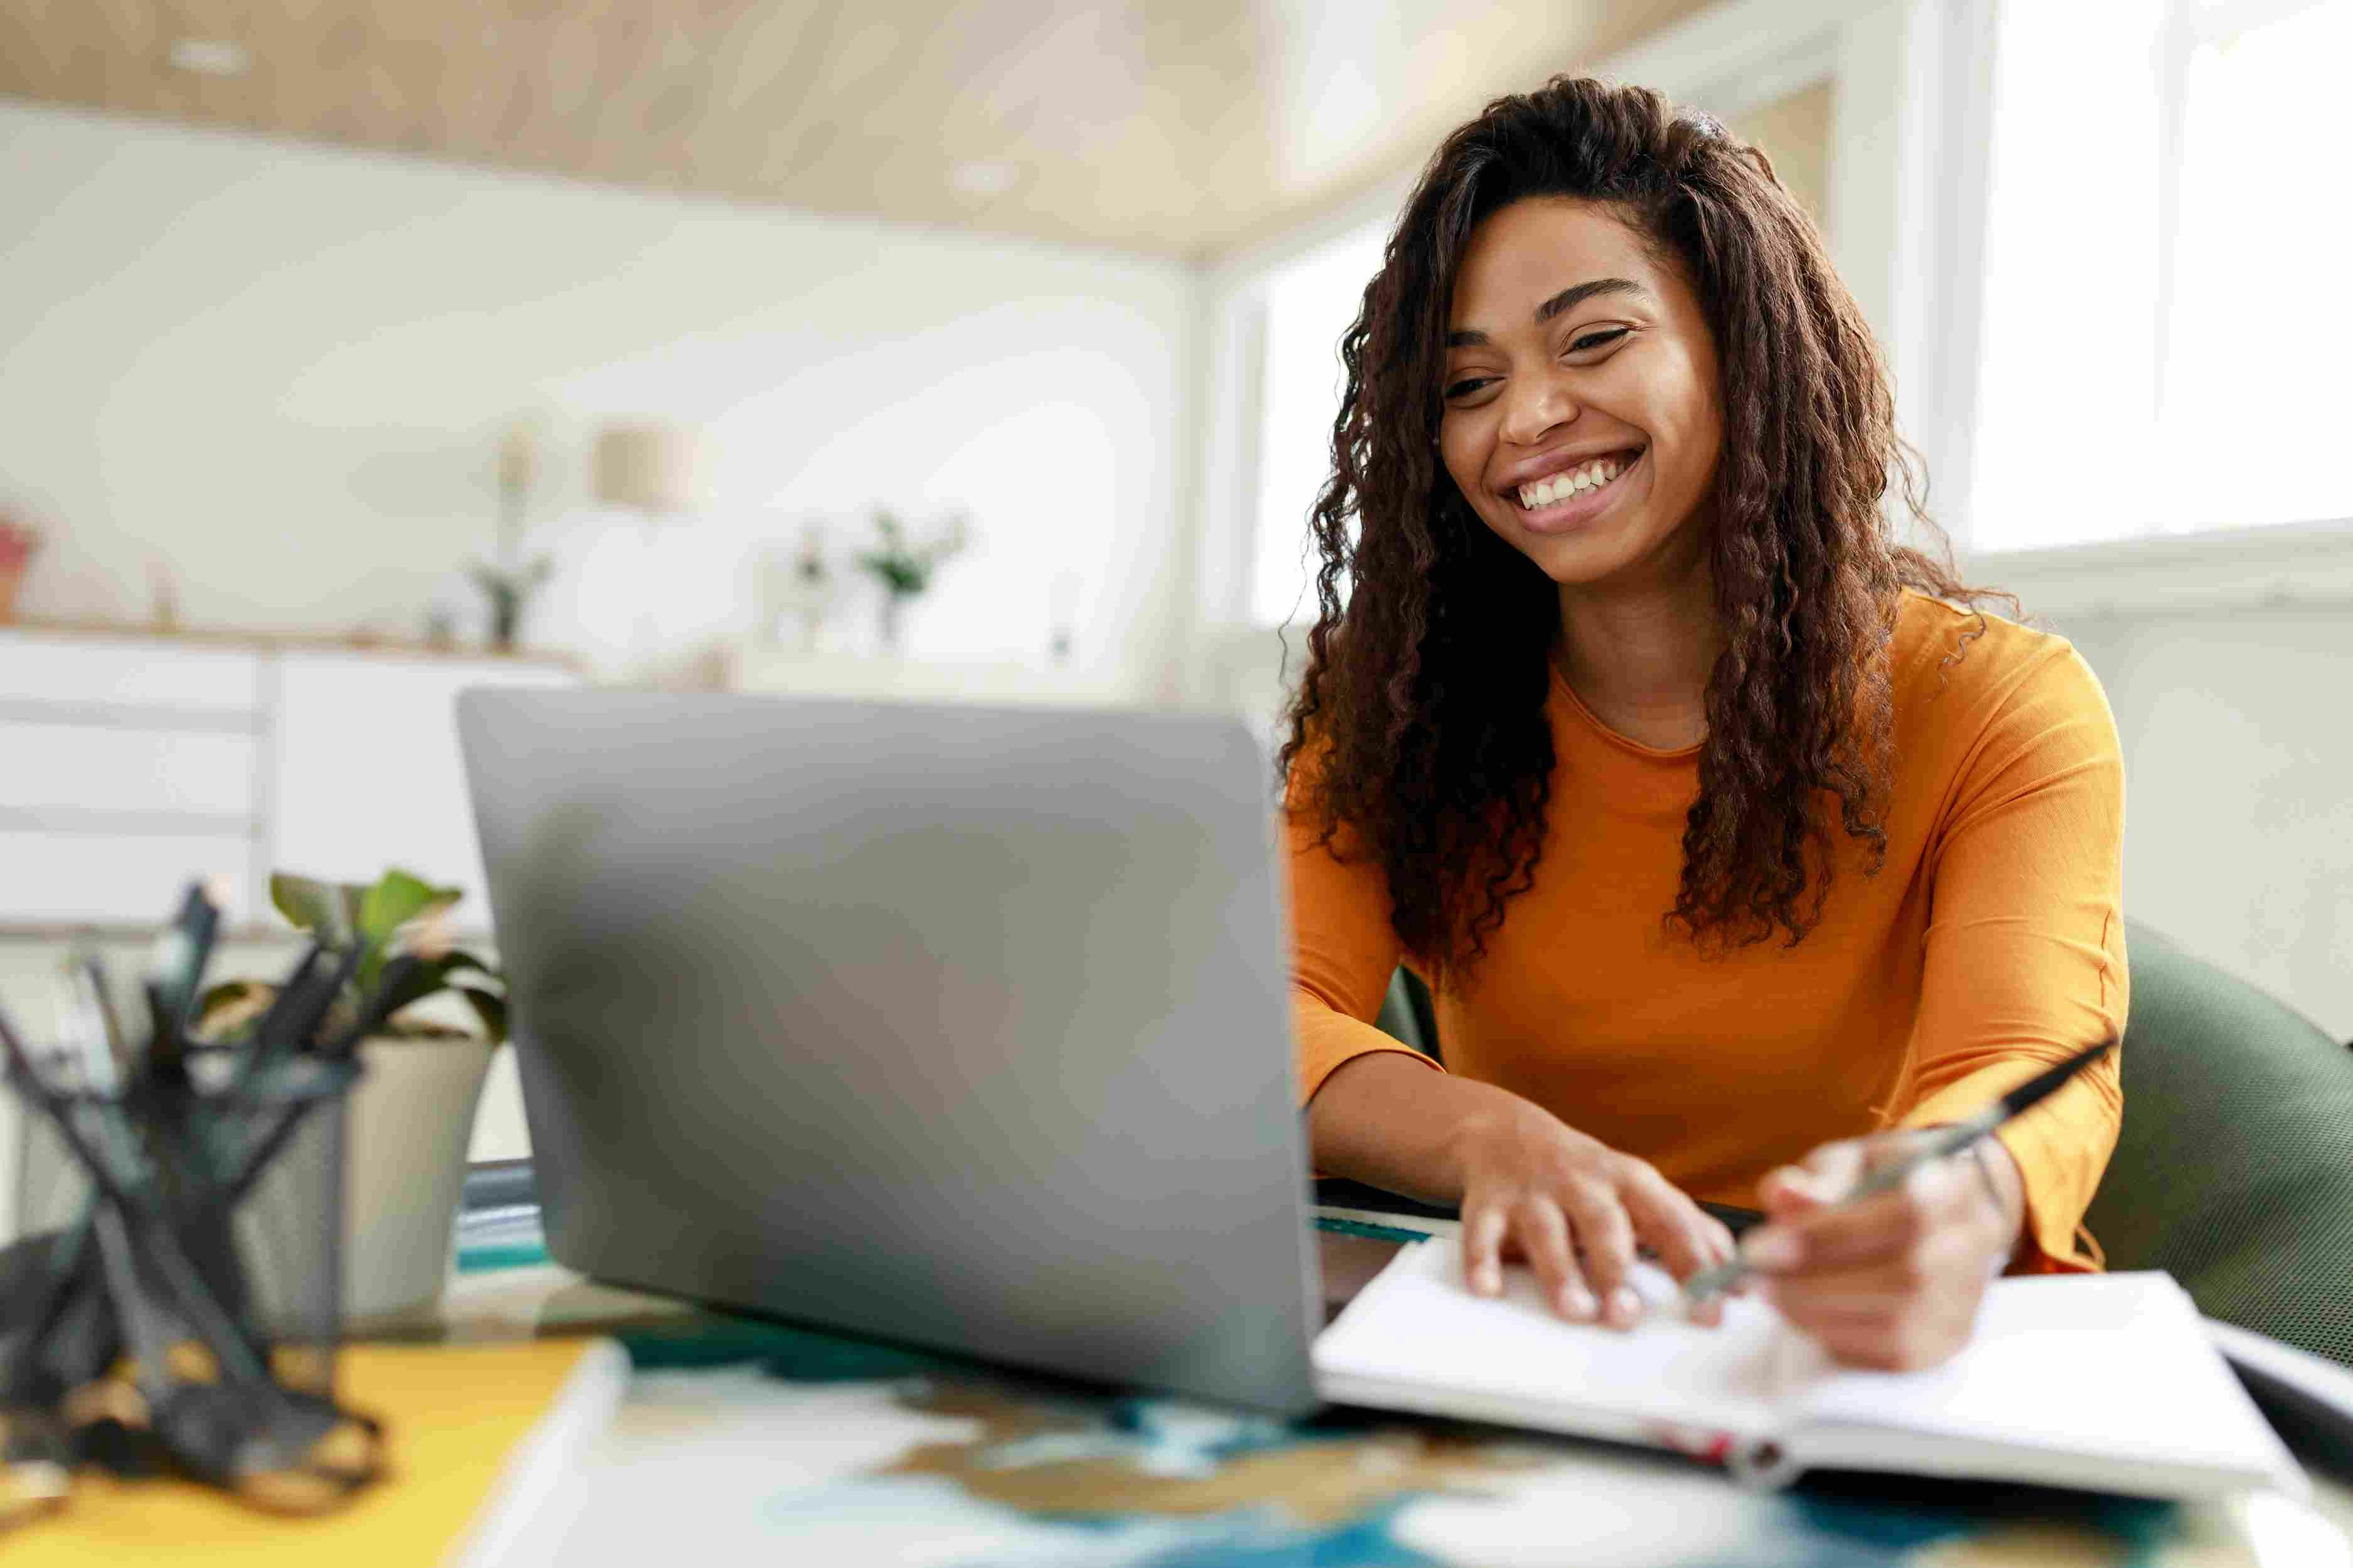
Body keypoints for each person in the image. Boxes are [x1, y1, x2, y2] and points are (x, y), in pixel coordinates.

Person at [1281, 77, 2125, 1372]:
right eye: (1466, 383)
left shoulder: (2001, 703)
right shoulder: (1397, 702)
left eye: (1596, 338)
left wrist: (1957, 1196)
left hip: (1849, 1359)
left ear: (1744, 343)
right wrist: (1489, 1135)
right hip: (1528, 1335)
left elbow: (2030, 1062)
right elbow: (1259, 1010)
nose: (1526, 418)